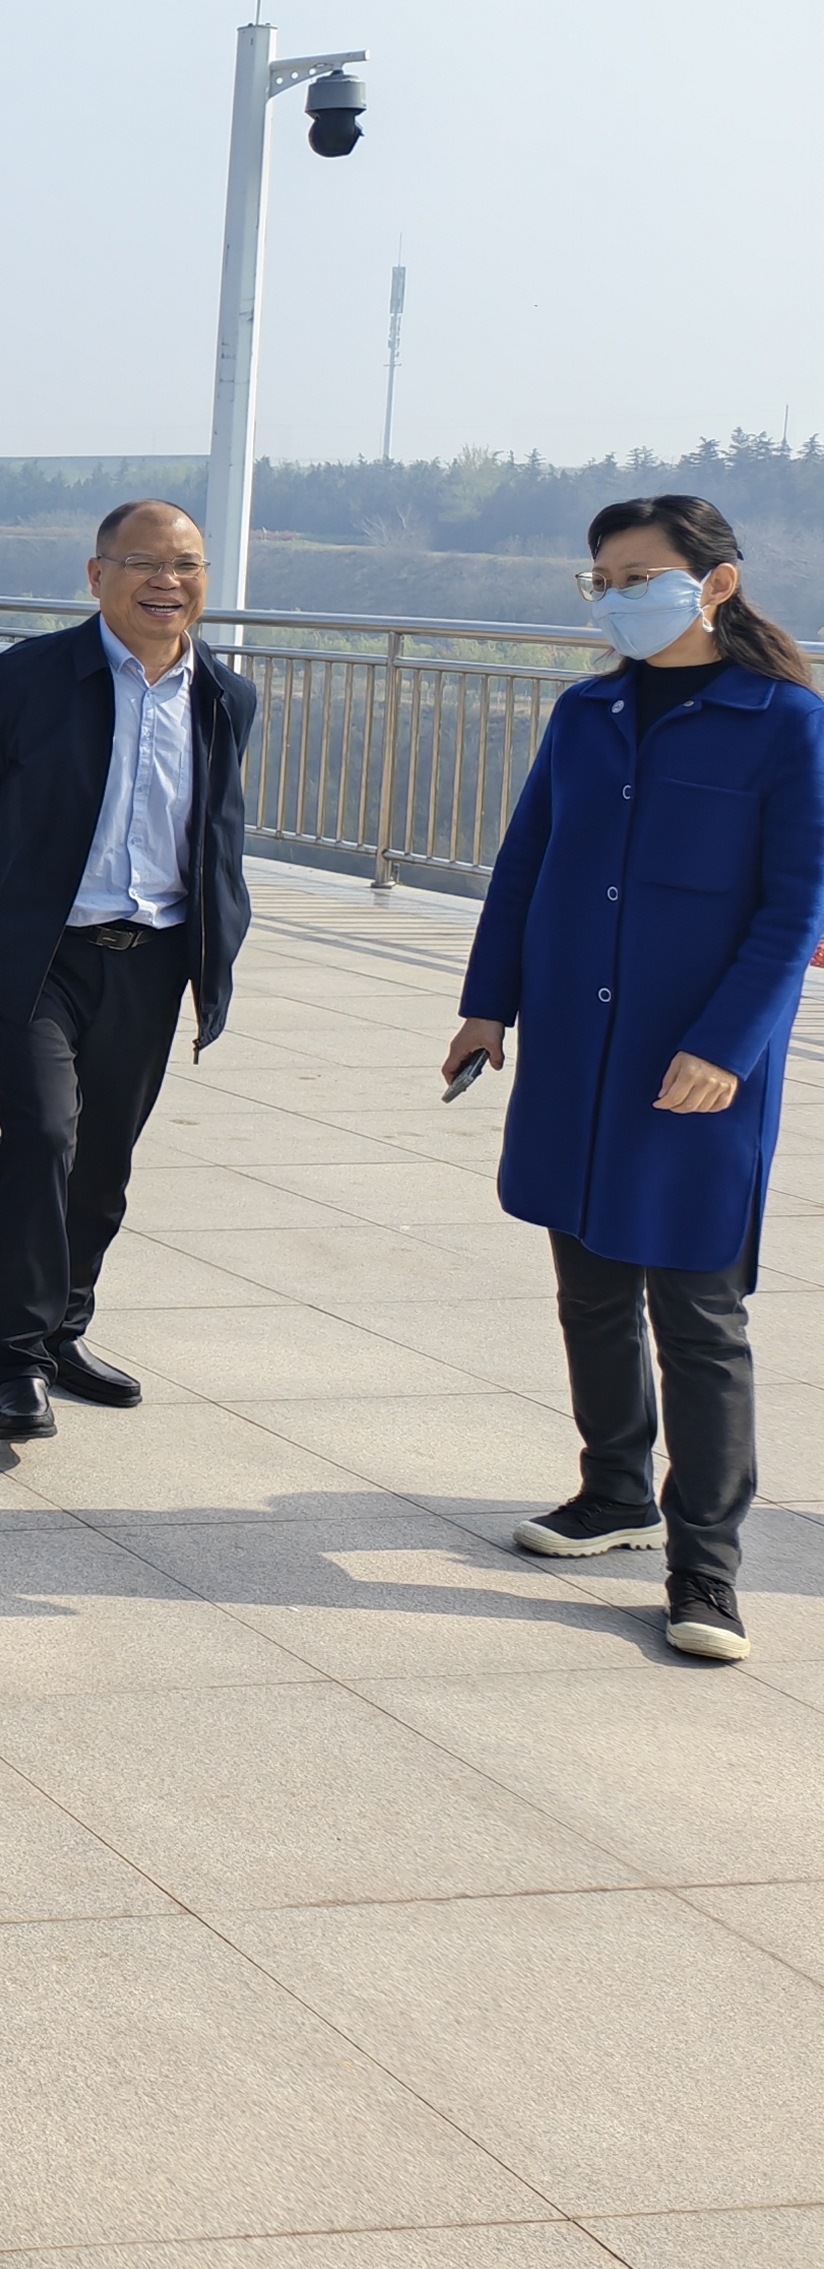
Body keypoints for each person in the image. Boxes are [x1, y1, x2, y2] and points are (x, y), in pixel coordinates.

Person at [453, 494, 824, 1666]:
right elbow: (526, 862)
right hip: (576, 1050)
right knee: (590, 1289)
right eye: (601, 581)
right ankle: (613, 1489)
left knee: (699, 1318)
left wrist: (726, 1047)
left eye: (637, 577)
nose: (616, 598)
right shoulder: (586, 713)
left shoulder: (786, 722)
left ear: (714, 583)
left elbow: (796, 908)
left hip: (694, 1068)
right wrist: (486, 1003)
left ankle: (704, 1566)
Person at [0, 498, 256, 1438]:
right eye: (145, 563)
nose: (167, 582)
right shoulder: (22, 680)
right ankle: (17, 1357)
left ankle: (66, 1327)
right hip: (42, 956)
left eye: (186, 565)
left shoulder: (224, 697)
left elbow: (214, 831)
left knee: (104, 1156)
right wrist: (19, 900)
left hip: (153, 958)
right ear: (97, 574)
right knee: (40, 1137)